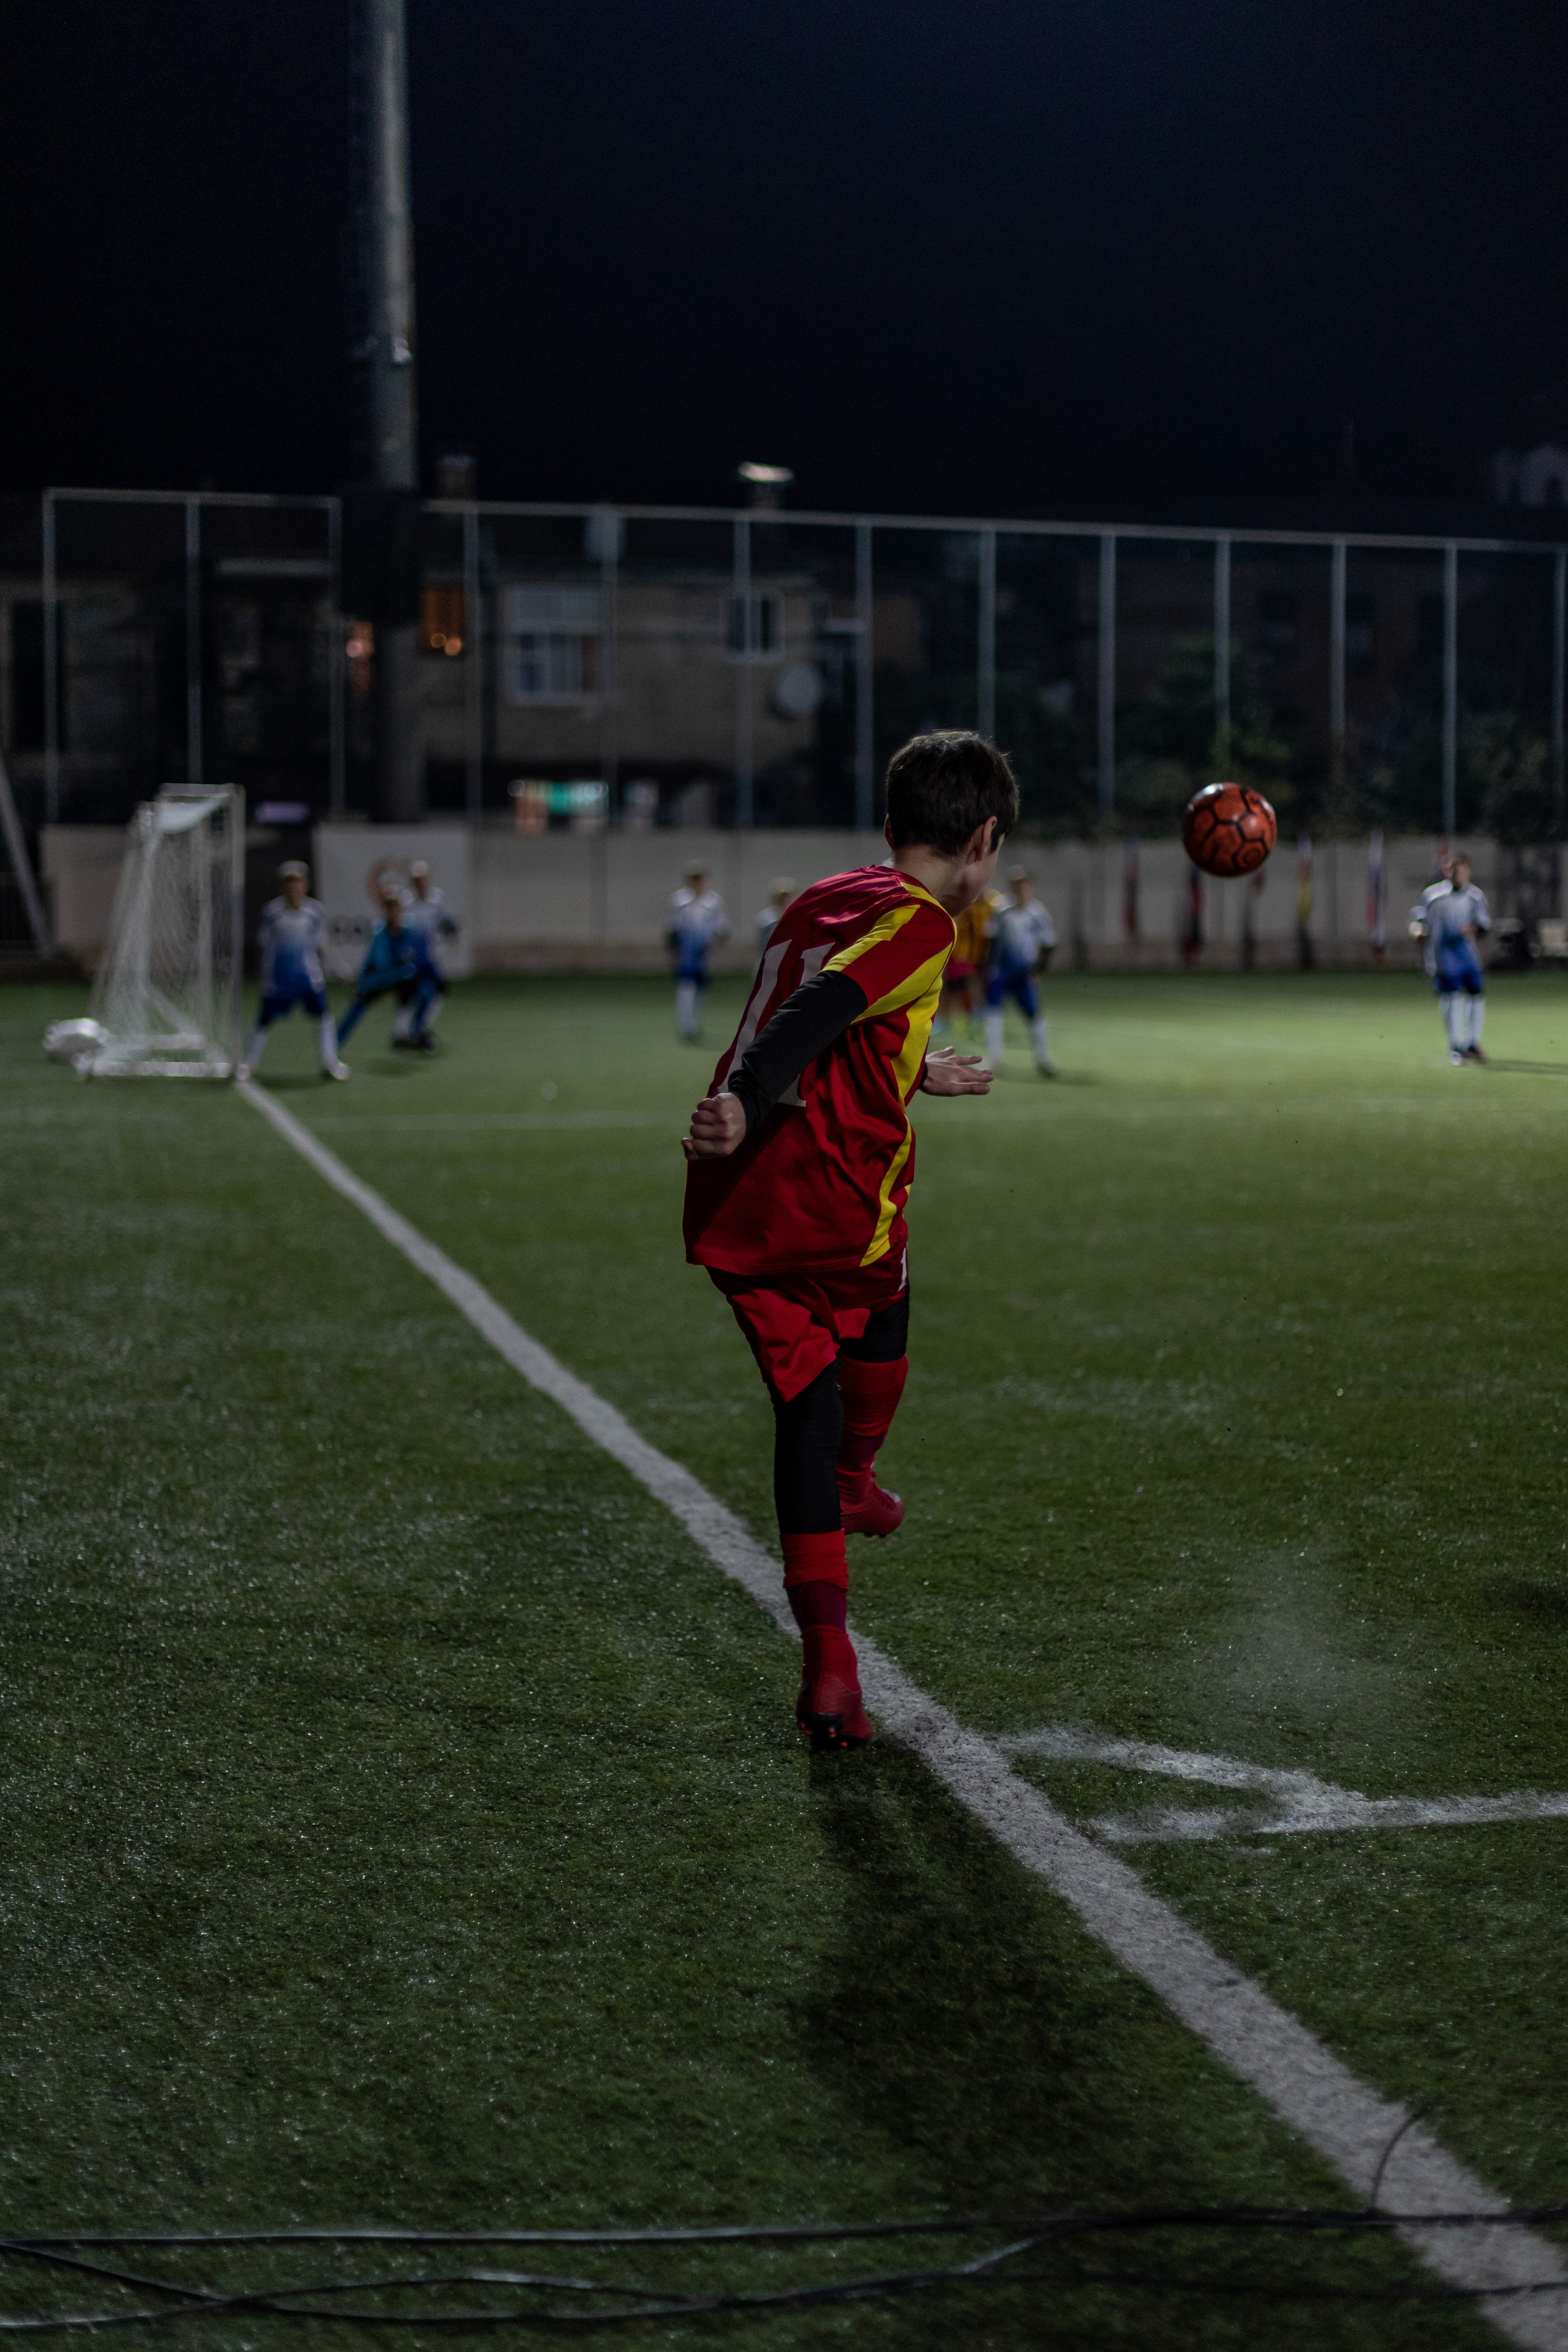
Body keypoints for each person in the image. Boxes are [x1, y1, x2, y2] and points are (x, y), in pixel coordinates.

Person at [682, 730, 1012, 1754]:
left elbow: (823, 1014)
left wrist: (915, 1073)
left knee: (799, 1406)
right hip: (824, 1200)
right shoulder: (925, 926)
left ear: (887, 827)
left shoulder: (823, 896)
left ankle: (830, 1669)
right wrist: (745, 1096)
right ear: (984, 839)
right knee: (890, 1277)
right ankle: (858, 1479)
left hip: (733, 1200)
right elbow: (829, 1004)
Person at [238, 861, 347, 1082]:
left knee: (323, 1018)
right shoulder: (273, 913)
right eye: (289, 883)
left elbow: (321, 946)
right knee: (265, 1020)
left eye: (297, 882)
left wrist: (334, 969)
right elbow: (266, 946)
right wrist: (266, 977)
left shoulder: (315, 912)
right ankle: (248, 1064)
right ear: (282, 887)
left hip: (308, 978)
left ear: (305, 885)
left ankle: (330, 1063)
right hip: (280, 979)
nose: (293, 888)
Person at [1410, 851, 1491, 1063]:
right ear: (1447, 872)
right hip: (1442, 954)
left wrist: (1473, 929)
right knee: (1452, 997)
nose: (1458, 875)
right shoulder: (1433, 896)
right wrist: (1418, 931)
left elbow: (1484, 925)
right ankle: (1456, 1046)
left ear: (1469, 872)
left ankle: (1473, 1042)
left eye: (1462, 871)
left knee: (1476, 995)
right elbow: (1419, 920)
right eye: (1453, 870)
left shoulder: (1475, 896)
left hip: (1467, 954)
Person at [335, 880, 431, 1049]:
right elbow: (380, 963)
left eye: (396, 906)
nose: (393, 911)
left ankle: (416, 1034)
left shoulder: (409, 930)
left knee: (426, 992)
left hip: (400, 977)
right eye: (389, 907)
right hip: (378, 979)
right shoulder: (379, 932)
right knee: (357, 1007)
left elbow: (417, 958)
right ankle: (334, 1045)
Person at [984, 867, 1058, 1074]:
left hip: (1024, 971)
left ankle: (1043, 1059)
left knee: (1033, 1013)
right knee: (993, 1011)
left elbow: (1049, 944)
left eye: (1024, 885)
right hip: (1003, 970)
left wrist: (1040, 970)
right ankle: (994, 1058)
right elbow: (991, 939)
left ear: (1030, 888)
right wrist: (989, 968)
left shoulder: (1037, 913)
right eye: (1017, 885)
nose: (1021, 889)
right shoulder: (1001, 910)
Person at [391, 861, 456, 1049]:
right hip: (409, 957)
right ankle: (402, 1032)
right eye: (416, 880)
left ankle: (421, 1027)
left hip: (428, 956)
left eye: (423, 880)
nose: (420, 884)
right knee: (409, 994)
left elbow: (445, 921)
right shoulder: (406, 901)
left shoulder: (436, 899)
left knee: (440, 990)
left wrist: (450, 933)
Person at [668, 864, 731, 1039]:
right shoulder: (680, 901)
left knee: (701, 989)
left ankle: (695, 1022)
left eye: (700, 879)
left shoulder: (713, 902)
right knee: (686, 986)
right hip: (686, 951)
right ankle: (686, 1025)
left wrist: (716, 946)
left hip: (705, 952)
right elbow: (673, 928)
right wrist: (674, 952)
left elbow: (722, 928)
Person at [938, 883, 1004, 1038]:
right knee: (955, 987)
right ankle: (953, 1018)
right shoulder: (966, 905)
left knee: (978, 986)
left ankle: (974, 1015)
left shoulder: (992, 905)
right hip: (962, 954)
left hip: (983, 954)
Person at [754, 876, 795, 963]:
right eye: (781, 896)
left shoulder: (797, 916)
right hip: (769, 960)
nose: (784, 899)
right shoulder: (765, 917)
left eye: (786, 896)